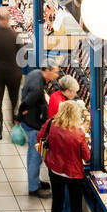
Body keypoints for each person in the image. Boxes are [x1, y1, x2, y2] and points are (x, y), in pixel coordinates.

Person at [41, 99, 90, 212]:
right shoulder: (78, 133)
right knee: (76, 204)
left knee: (57, 200)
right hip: (73, 174)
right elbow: (87, 156)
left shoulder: (51, 124)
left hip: (55, 169)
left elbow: (40, 136)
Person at [18, 61, 61, 197]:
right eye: (55, 72)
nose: (57, 75)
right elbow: (26, 103)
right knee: (35, 157)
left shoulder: (34, 73)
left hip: (30, 123)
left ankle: (35, 180)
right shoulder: (37, 88)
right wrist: (20, 115)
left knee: (34, 154)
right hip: (35, 127)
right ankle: (33, 188)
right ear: (47, 70)